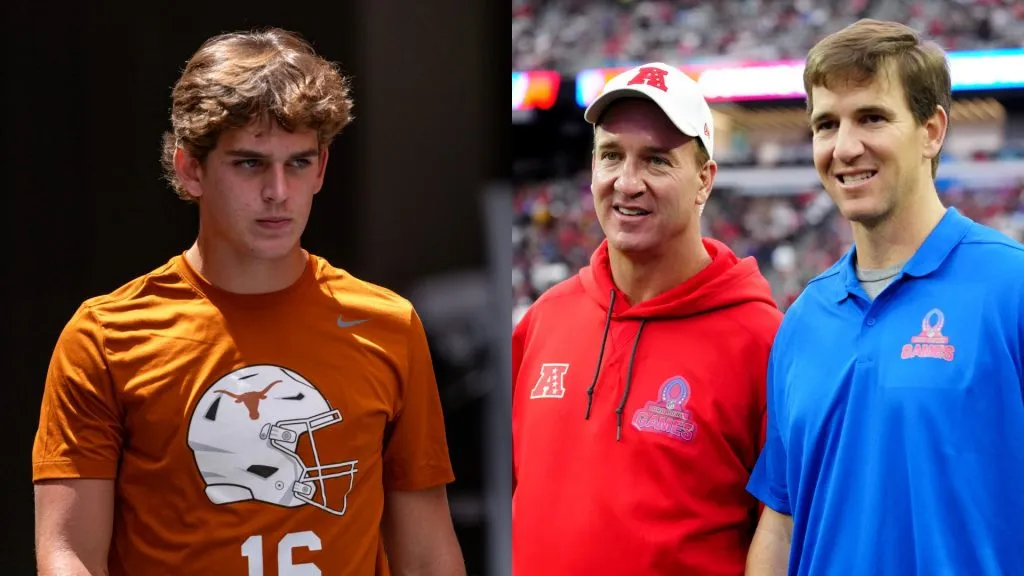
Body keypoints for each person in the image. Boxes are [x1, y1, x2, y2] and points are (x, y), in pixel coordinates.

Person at [32, 28, 465, 576]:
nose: (278, 192)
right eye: (249, 163)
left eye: (298, 163)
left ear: (322, 169)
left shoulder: (388, 325)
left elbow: (426, 557)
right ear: (190, 168)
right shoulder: (104, 336)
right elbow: (68, 554)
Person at [746, 19, 1024, 576]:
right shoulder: (802, 321)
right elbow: (781, 522)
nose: (845, 147)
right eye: (826, 124)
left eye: (872, 117)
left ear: (932, 131)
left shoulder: (1010, 288)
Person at [511, 62, 783, 575]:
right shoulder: (545, 319)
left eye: (656, 161)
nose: (627, 182)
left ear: (704, 181)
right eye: (611, 155)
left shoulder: (763, 342)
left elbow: (785, 535)